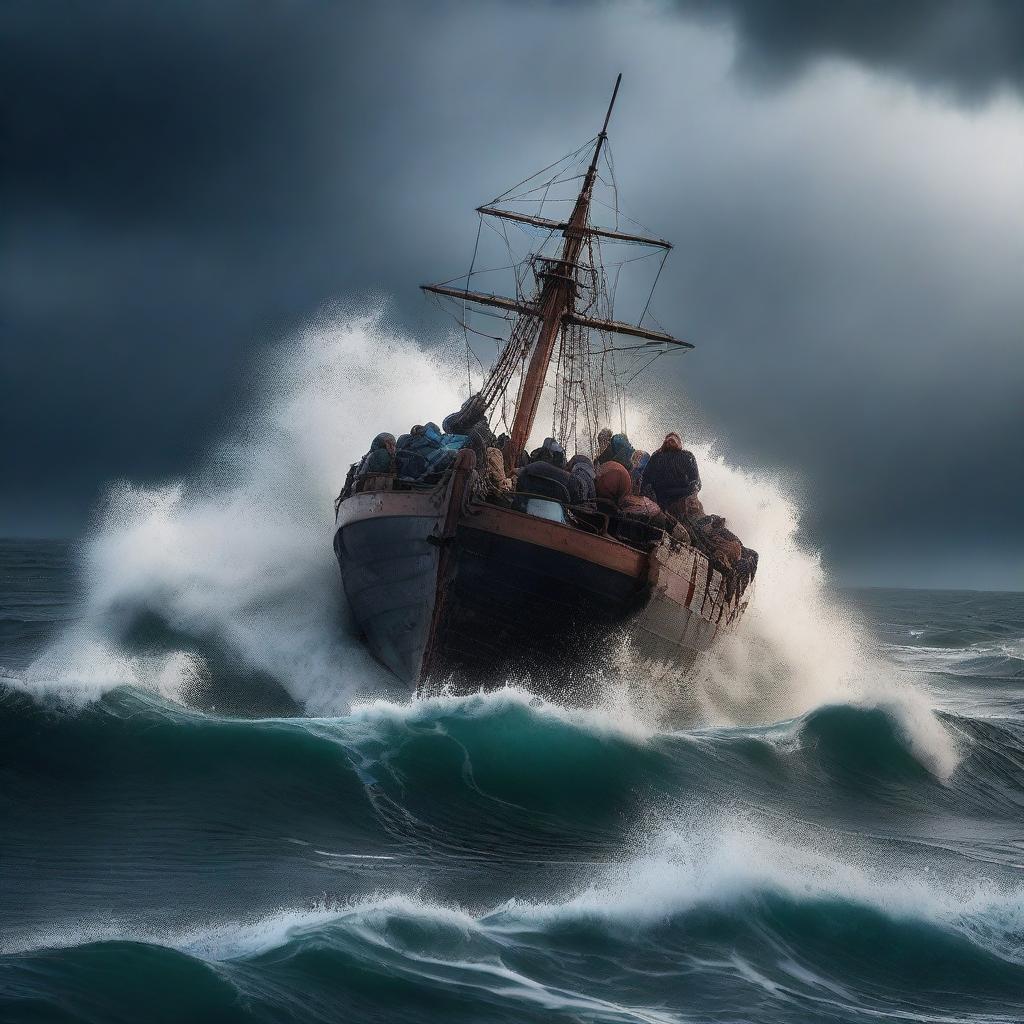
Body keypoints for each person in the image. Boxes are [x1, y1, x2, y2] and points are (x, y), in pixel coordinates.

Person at [641, 432, 701, 513]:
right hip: (660, 498)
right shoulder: (656, 456)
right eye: (667, 439)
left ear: (679, 443)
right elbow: (646, 478)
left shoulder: (687, 456)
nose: (669, 441)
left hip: (682, 498)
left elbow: (696, 482)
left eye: (673, 439)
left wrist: (691, 493)